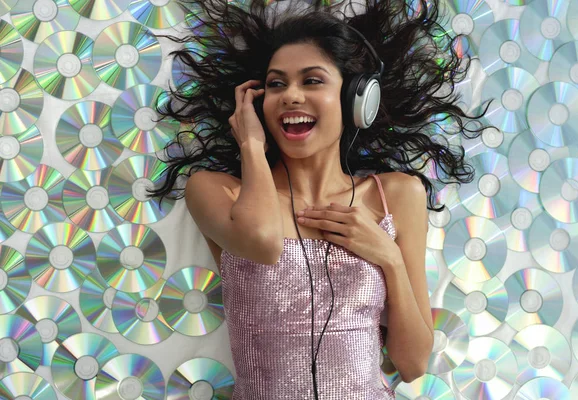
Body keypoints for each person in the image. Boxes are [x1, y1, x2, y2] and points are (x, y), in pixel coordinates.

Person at [147, 0, 497, 398]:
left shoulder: (396, 194)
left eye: (311, 81)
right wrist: (251, 145)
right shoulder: (216, 191)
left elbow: (413, 364)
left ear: (355, 100)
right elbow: (261, 241)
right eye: (276, 84)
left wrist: (390, 258)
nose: (291, 95)